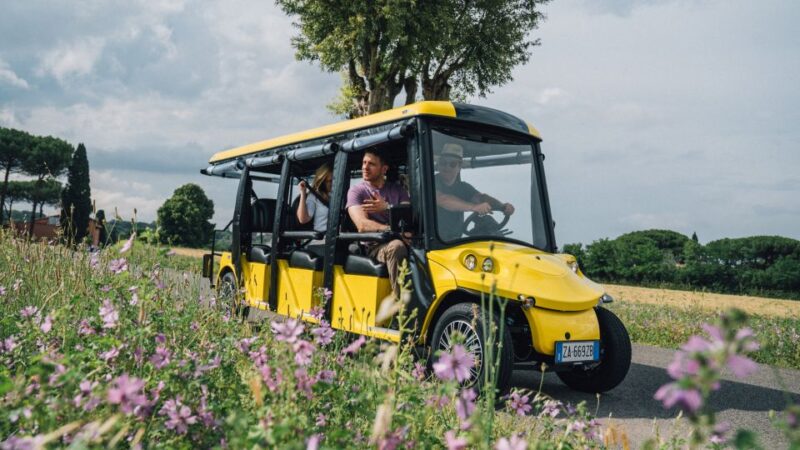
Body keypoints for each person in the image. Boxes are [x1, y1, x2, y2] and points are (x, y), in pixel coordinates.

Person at [346, 150, 410, 297]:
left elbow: (406, 216)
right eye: (364, 163)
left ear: (384, 169)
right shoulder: (357, 191)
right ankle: (402, 308)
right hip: (375, 246)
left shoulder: (398, 190)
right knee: (396, 247)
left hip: (404, 237)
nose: (365, 167)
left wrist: (387, 207)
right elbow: (362, 225)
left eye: (371, 164)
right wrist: (393, 231)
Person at [435, 143, 515, 241]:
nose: (447, 167)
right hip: (432, 243)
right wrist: (474, 207)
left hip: (454, 241)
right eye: (443, 163)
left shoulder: (464, 187)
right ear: (438, 165)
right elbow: (442, 200)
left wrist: (502, 207)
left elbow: (481, 198)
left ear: (459, 167)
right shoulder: (431, 182)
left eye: (452, 164)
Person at [297, 163, 333, 233]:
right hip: (322, 237)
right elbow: (303, 219)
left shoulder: (339, 194)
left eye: (335, 179)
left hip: (339, 236)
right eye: (330, 181)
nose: (333, 183)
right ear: (322, 181)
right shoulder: (314, 196)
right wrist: (303, 192)